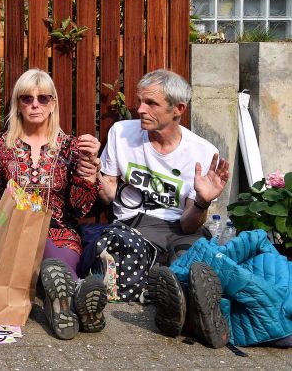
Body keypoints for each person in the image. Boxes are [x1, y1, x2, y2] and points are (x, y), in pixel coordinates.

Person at [0, 68, 108, 340]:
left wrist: (89, 175)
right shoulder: (0, 146)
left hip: (60, 234)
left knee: (54, 263)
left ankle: (68, 300)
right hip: (13, 236)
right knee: (47, 266)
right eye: (27, 98)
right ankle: (72, 301)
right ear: (18, 104)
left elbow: (79, 208)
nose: (35, 104)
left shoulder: (71, 147)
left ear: (53, 104)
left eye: (43, 98)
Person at [96, 69, 231, 345]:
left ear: (178, 109)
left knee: (192, 256)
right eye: (140, 101)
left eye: (151, 103)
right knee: (121, 242)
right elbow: (108, 194)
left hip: (179, 229)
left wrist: (203, 201)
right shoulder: (122, 133)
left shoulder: (202, 152)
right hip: (136, 226)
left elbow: (188, 224)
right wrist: (93, 176)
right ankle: (179, 307)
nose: (140, 109)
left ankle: (189, 310)